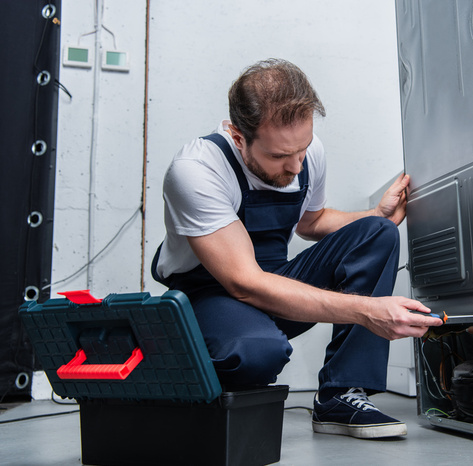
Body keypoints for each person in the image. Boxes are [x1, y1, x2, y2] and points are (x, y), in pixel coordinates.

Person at [151, 58, 443, 439]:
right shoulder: (196, 170)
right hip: (211, 295)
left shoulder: (306, 153)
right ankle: (192, 369)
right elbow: (244, 283)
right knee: (259, 353)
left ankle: (340, 394)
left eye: (302, 149)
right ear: (239, 137)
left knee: (378, 232)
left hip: (273, 282)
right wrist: (367, 311)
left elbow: (311, 222)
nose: (295, 165)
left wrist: (375, 214)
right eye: (278, 156)